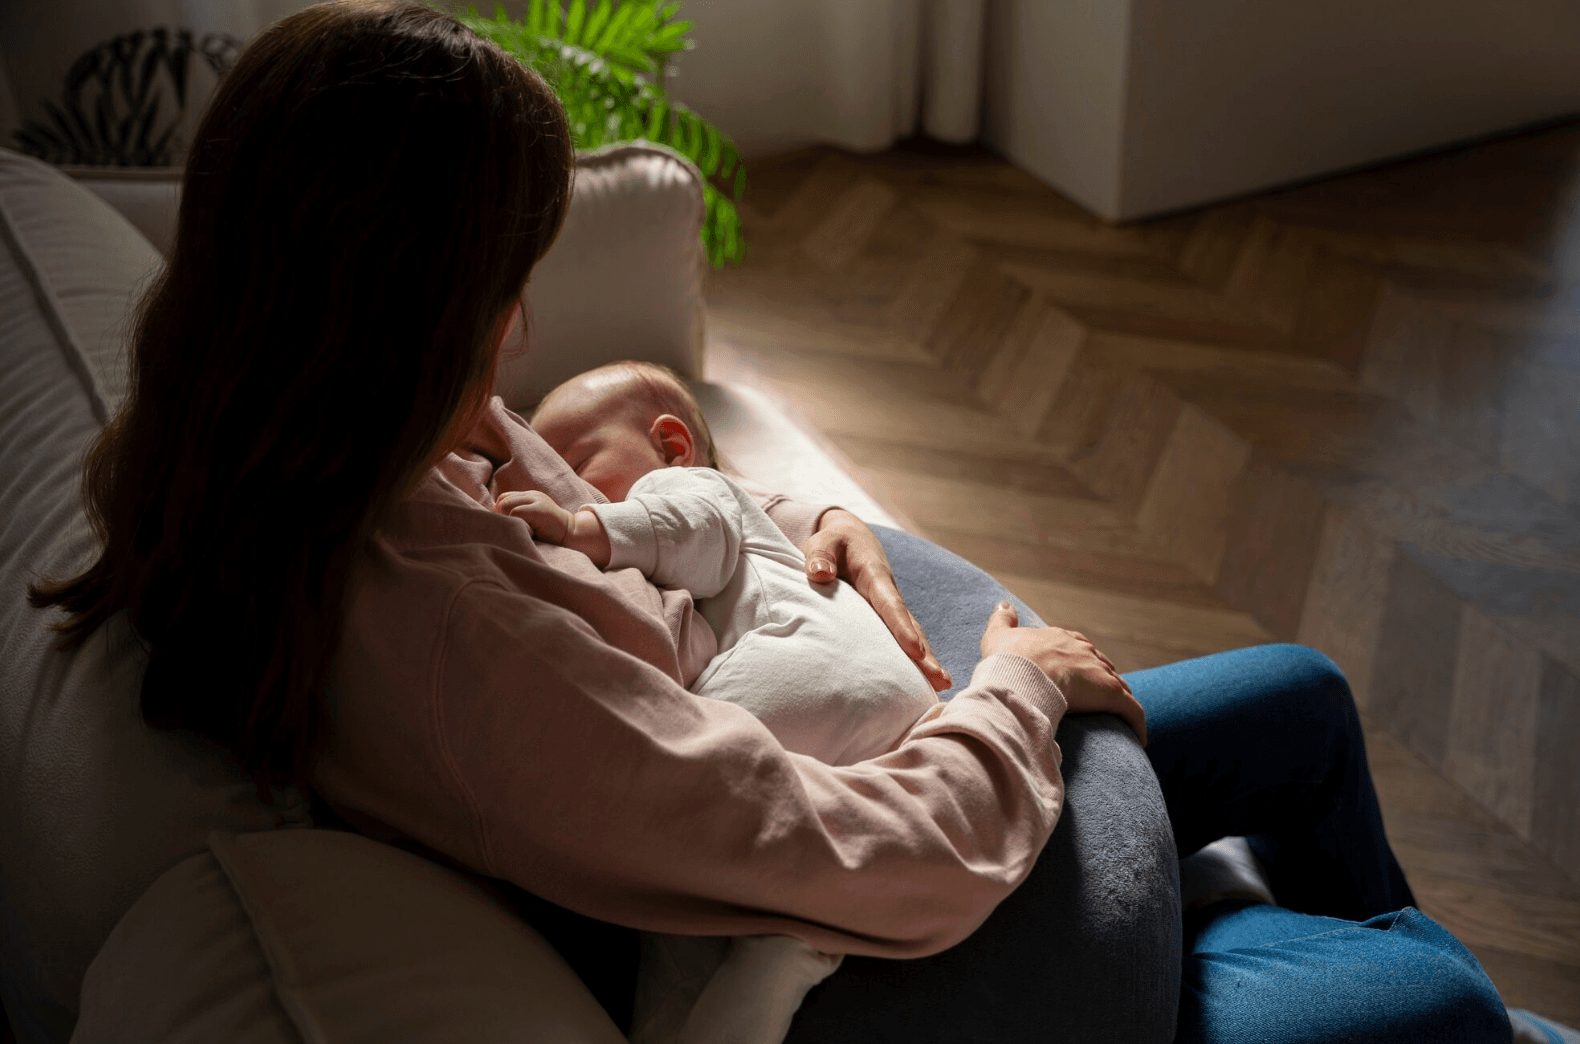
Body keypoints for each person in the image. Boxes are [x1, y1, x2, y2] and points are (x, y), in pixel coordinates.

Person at [27, 3, 1518, 1043]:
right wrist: (1018, 689)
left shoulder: (359, 439)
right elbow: (855, 858)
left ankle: (1274, 941)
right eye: (501, 287)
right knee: (1434, 1000)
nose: (518, 328)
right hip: (902, 942)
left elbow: (643, 507)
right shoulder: (455, 651)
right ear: (407, 312)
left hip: (905, 796)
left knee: (1302, 700)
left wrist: (811, 520)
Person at [513, 360, 973, 1044]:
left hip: (795, 677)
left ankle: (764, 952)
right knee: (717, 908)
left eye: (579, 465)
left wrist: (581, 526)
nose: (570, 486)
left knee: (676, 894)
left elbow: (688, 530)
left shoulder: (692, 487)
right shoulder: (753, 534)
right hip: (888, 711)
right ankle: (788, 939)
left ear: (672, 446)